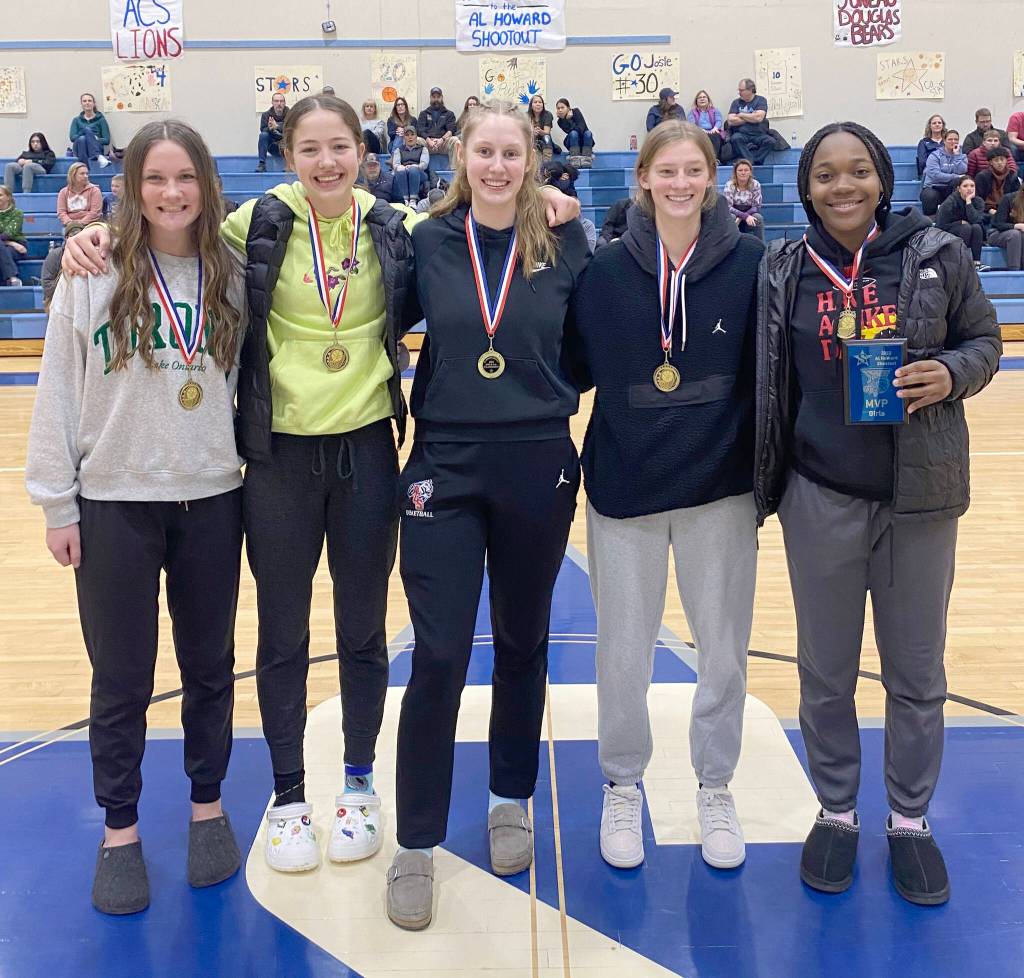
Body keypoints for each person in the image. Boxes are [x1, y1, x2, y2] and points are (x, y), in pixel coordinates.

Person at [60, 100, 580, 884]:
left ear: (363, 152)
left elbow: (483, 224)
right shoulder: (254, 225)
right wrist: (97, 233)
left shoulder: (395, 227)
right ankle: (290, 796)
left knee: (363, 631)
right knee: (282, 635)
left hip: (367, 449)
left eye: (340, 146)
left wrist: (545, 196)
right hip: (278, 456)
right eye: (310, 148)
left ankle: (359, 788)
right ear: (288, 154)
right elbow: (173, 230)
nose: (327, 161)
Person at [755, 120, 1000, 907]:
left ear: (882, 180)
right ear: (807, 188)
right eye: (825, 174)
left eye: (858, 170)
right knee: (825, 672)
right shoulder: (784, 267)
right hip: (818, 495)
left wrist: (952, 373)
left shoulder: (938, 253)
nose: (843, 186)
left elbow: (986, 341)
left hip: (919, 501)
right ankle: (836, 810)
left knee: (916, 673)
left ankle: (909, 820)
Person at [26, 118, 247, 916]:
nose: (171, 192)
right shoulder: (93, 270)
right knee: (120, 678)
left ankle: (207, 807)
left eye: (184, 177)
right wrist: (57, 501)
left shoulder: (231, 275)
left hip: (212, 497)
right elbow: (58, 387)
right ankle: (119, 828)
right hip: (114, 500)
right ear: (131, 186)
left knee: (210, 667)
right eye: (155, 178)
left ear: (205, 184)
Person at [385, 100, 587, 932]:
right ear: (460, 157)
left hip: (538, 460)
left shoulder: (566, 242)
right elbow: (371, 321)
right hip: (446, 463)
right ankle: (415, 842)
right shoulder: (428, 242)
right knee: (437, 656)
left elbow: (588, 346)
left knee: (522, 642)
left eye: (512, 153)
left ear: (531, 159)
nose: (498, 166)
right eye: (485, 152)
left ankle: (510, 797)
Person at [569, 119, 761, 875]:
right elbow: (572, 366)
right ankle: (623, 784)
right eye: (667, 171)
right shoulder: (605, 270)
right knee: (623, 652)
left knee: (723, 651)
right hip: (625, 486)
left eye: (693, 170)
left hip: (721, 486)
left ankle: (716, 786)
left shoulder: (752, 263)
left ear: (711, 179)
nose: (680, 183)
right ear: (643, 179)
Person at [936, 175, 988, 267]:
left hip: (971, 233)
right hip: (949, 233)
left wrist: (968, 202)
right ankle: (960, 262)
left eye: (972, 186)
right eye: (965, 186)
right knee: (966, 227)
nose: (969, 188)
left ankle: (976, 263)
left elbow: (976, 220)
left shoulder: (978, 201)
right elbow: (940, 226)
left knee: (976, 227)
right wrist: (959, 223)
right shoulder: (950, 202)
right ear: (959, 189)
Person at [920, 129, 967, 216]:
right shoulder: (934, 156)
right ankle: (931, 219)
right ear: (944, 141)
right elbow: (936, 176)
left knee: (959, 185)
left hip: (950, 187)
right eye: (950, 139)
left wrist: (957, 156)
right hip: (933, 186)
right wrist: (955, 176)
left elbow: (962, 171)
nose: (953, 142)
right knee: (930, 196)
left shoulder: (962, 156)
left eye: (956, 139)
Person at [725, 79, 773, 165]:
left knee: (771, 141)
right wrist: (752, 116)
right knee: (735, 138)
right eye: (739, 90)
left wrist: (741, 114)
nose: (739, 93)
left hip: (759, 134)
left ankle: (755, 161)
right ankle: (750, 162)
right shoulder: (736, 102)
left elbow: (759, 118)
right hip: (742, 134)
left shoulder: (761, 100)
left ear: (750, 90)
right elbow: (731, 121)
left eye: (741, 90)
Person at [42, 222, 85, 308]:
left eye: (80, 236)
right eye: (73, 236)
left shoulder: (89, 256)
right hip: (56, 298)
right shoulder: (55, 255)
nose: (76, 239)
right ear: (66, 238)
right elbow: (47, 285)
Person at [416, 86, 456, 169]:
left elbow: (451, 130)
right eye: (434, 97)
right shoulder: (424, 113)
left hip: (443, 144)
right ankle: (419, 169)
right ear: (430, 98)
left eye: (438, 97)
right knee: (417, 140)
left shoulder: (449, 114)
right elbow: (420, 130)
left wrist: (442, 139)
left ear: (442, 98)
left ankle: (454, 169)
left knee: (455, 140)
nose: (436, 99)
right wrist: (429, 140)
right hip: (428, 144)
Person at [976, 147, 1021, 218]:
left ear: (1006, 160)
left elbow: (1017, 196)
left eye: (1002, 159)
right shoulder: (982, 176)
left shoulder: (1012, 175)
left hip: (1008, 209)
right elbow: (978, 198)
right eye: (996, 160)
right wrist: (988, 209)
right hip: (987, 210)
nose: (1000, 162)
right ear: (991, 162)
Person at [723, 159, 764, 239]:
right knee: (731, 218)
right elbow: (728, 207)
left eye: (746, 170)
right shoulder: (729, 185)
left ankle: (760, 245)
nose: (743, 173)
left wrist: (744, 216)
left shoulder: (755, 184)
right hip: (734, 213)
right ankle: (729, 244)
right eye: (740, 170)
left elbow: (756, 206)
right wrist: (743, 216)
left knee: (758, 218)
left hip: (750, 213)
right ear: (735, 172)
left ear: (750, 172)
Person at [69, 93, 111, 168]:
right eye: (84, 101)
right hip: (78, 148)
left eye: (89, 101)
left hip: (96, 146)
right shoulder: (76, 120)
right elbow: (72, 137)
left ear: (94, 103)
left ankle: (84, 168)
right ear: (81, 104)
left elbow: (107, 140)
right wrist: (87, 134)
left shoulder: (101, 120)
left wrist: (95, 139)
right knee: (84, 134)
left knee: (82, 139)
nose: (87, 103)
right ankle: (98, 156)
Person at [391, 126, 429, 205]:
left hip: (419, 173)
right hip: (404, 172)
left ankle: (413, 200)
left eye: (412, 134)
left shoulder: (423, 149)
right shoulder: (398, 150)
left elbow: (424, 164)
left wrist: (416, 166)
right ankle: (405, 199)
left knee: (413, 170)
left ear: (416, 136)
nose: (410, 137)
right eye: (407, 135)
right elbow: (395, 164)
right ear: (404, 137)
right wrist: (400, 167)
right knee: (400, 171)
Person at [57, 163, 103, 227]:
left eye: (87, 174)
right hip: (70, 225)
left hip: (90, 224)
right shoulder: (63, 192)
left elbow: (95, 212)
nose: (86, 176)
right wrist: (70, 223)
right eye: (82, 174)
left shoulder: (94, 190)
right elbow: (61, 212)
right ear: (73, 175)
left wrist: (80, 223)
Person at [990, 186, 1024, 270]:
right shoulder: (1008, 199)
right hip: (998, 234)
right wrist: (1016, 226)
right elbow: (999, 224)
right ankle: (1014, 270)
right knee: (1015, 234)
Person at [687, 90, 726, 159]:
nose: (702, 99)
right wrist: (701, 130)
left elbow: (719, 121)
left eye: (704, 97)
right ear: (696, 101)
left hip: (713, 131)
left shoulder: (715, 110)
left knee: (715, 136)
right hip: (699, 132)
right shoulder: (692, 112)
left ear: (708, 100)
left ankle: (714, 159)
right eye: (700, 97)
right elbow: (692, 124)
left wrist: (715, 128)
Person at [0, 186, 27, 286]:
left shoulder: (17, 213)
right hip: (13, 245)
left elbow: (8, 234)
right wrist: (11, 243)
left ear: (8, 197)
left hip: (17, 247)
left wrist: (11, 243)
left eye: (0, 195)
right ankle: (12, 278)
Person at [256, 92, 288, 172]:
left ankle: (290, 165)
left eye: (281, 101)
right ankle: (262, 164)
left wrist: (277, 126)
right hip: (273, 147)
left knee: (293, 137)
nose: (279, 104)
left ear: (284, 103)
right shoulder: (266, 115)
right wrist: (270, 128)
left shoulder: (290, 114)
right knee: (263, 135)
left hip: (286, 147)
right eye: (276, 101)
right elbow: (263, 130)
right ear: (272, 103)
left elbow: (292, 129)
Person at [526, 94, 554, 160]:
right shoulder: (526, 115)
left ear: (543, 105)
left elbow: (547, 132)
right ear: (531, 105)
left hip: (544, 140)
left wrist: (540, 131)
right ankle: (530, 160)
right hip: (532, 140)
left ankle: (547, 161)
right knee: (527, 138)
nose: (538, 104)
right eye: (535, 102)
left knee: (546, 137)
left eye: (540, 102)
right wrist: (533, 132)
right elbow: (525, 132)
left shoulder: (548, 114)